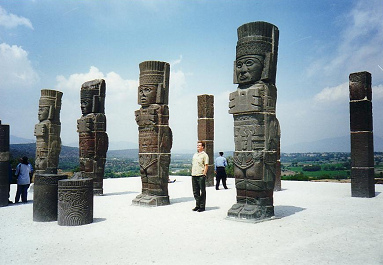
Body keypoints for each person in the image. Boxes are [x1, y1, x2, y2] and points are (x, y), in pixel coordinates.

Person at [191, 141, 209, 212]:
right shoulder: (195, 154)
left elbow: (206, 165)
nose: (197, 146)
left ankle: (202, 206)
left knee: (202, 191)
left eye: (199, 145)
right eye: (197, 145)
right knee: (195, 191)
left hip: (201, 175)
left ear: (203, 147)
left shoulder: (205, 155)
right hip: (194, 174)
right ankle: (197, 205)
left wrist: (204, 173)